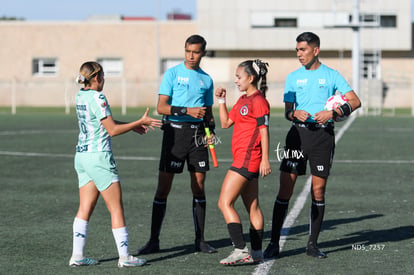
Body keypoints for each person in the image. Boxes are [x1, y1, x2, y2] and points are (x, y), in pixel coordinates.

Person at [263, 32, 361, 259]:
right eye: (297, 50)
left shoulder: (332, 75)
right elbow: (287, 112)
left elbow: (355, 101)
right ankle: (274, 243)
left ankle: (312, 245)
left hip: (322, 139)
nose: (299, 54)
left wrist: (333, 112)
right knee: (285, 190)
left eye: (303, 50)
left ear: (315, 50)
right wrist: (293, 112)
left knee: (318, 190)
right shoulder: (292, 78)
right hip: (297, 136)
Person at [69, 61, 162, 267]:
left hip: (82, 156)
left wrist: (130, 127)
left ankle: (77, 256)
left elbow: (102, 123)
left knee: (85, 207)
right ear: (95, 78)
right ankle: (125, 257)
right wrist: (139, 122)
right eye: (102, 76)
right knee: (116, 208)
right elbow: (111, 130)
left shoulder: (80, 95)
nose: (104, 80)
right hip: (99, 157)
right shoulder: (98, 96)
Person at [137, 34, 217, 255]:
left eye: (196, 52)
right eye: (188, 51)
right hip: (174, 136)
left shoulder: (207, 80)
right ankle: (153, 241)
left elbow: (208, 115)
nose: (191, 56)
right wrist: (186, 111)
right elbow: (161, 107)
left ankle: (200, 240)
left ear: (203, 53)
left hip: (198, 137)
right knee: (163, 189)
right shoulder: (172, 74)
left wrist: (212, 132)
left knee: (199, 188)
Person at [215, 59, 271, 265]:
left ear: (251, 78)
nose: (236, 81)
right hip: (245, 160)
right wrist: (222, 101)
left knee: (224, 202)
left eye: (239, 77)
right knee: (253, 206)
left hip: (247, 160)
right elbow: (225, 123)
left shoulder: (259, 101)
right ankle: (257, 253)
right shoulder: (242, 100)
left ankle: (240, 250)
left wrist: (265, 159)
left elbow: (264, 132)